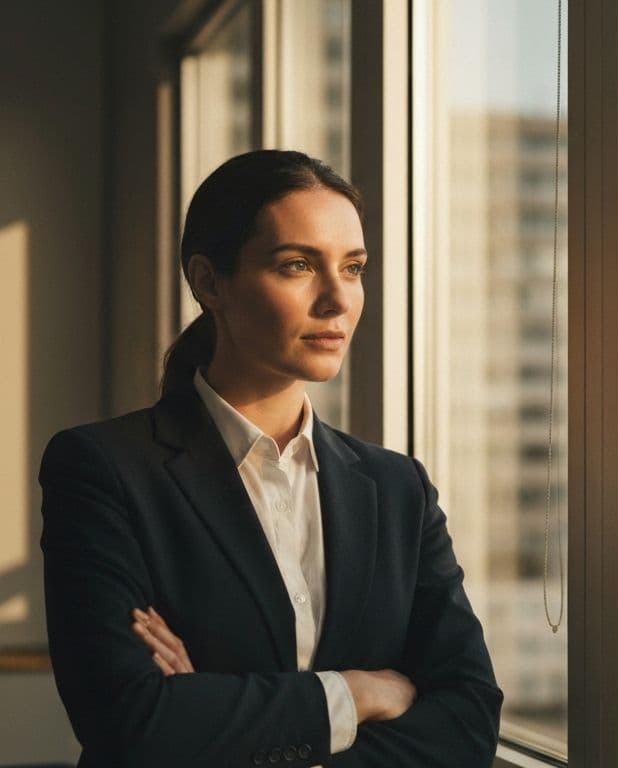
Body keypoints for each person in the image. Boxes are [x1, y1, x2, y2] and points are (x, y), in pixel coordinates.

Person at [39, 149, 502, 767]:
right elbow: (133, 720)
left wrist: (222, 715)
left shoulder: (397, 489)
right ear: (209, 282)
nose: (338, 299)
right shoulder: (103, 470)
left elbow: (468, 721)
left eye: (354, 267)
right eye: (297, 265)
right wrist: (359, 692)